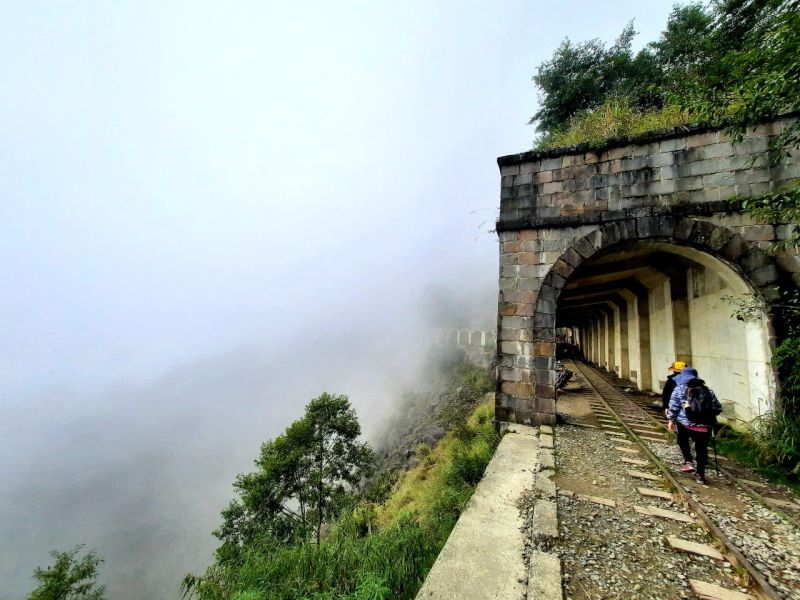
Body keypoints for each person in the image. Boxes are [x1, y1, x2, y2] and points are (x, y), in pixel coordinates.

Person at [666, 367, 722, 485]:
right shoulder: (707, 390)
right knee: (702, 450)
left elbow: (674, 406)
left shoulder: (680, 389)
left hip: (684, 423)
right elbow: (717, 408)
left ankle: (688, 461)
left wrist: (671, 420)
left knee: (682, 440)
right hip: (704, 426)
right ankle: (700, 475)